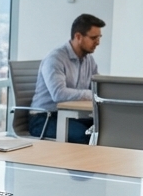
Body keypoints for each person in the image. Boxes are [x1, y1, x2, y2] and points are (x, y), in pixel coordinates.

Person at [30, 14, 104, 143]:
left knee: (106, 130)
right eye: (93, 38)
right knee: (86, 135)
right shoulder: (56, 58)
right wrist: (90, 94)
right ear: (78, 36)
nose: (98, 42)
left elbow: (98, 88)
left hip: (72, 115)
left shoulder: (89, 60)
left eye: (99, 37)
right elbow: (59, 94)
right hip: (44, 117)